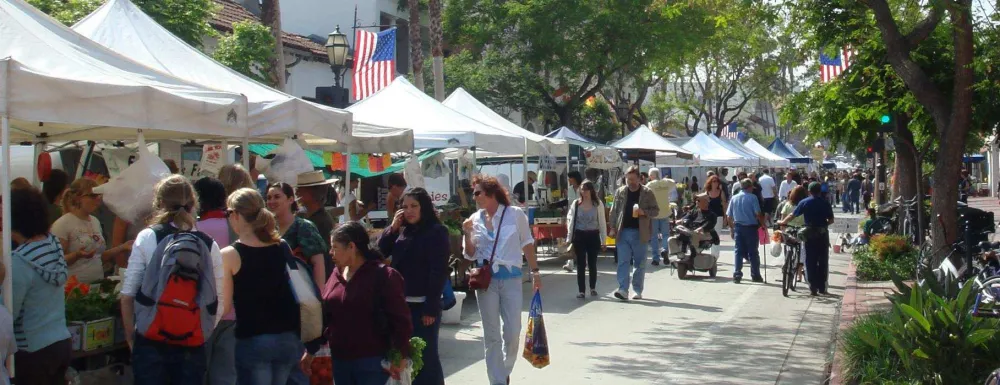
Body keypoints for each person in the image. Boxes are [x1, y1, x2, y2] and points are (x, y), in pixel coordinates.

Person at [121, 175, 225, 385]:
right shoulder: (208, 244)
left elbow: (127, 295)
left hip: (150, 338)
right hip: (191, 341)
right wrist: (200, 332)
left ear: (159, 203)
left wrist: (132, 338)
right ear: (194, 204)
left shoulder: (147, 237)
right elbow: (218, 298)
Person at [461, 175, 541, 385]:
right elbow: (469, 254)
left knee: (513, 332)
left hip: (512, 279)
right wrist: (468, 234)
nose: (474, 197)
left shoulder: (515, 215)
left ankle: (503, 370)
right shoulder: (474, 219)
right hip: (486, 281)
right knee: (492, 335)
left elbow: (527, 243)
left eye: (477, 192)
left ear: (491, 193)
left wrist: (535, 272)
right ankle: (497, 380)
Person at [311, 222, 413, 385]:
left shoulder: (384, 276)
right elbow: (327, 314)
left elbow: (401, 319)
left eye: (334, 247)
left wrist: (401, 354)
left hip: (371, 360)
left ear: (351, 247)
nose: (330, 252)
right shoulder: (336, 274)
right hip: (340, 360)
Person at [221, 188, 303, 385]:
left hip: (253, 338)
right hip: (289, 337)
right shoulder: (282, 245)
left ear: (235, 215)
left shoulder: (229, 254)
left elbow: (224, 307)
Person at [377, 188, 449, 385]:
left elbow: (438, 271)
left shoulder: (437, 231)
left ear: (424, 207)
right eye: (405, 207)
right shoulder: (403, 232)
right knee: (405, 356)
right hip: (401, 304)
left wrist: (431, 308)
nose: (409, 211)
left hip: (424, 306)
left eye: (414, 206)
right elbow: (379, 251)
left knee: (426, 358)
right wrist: (392, 229)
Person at [10, 187, 72, 385]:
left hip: (32, 350)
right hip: (60, 341)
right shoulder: (53, 244)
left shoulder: (19, 262)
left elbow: (10, 312)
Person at [193, 177, 235, 385]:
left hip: (200, 312)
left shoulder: (195, 229)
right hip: (234, 312)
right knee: (226, 377)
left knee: (199, 373)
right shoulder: (237, 228)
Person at [51, 178, 132, 283]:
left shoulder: (95, 221)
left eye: (99, 195)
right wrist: (76, 255)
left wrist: (122, 247)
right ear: (78, 198)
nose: (98, 199)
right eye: (93, 196)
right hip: (72, 288)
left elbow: (98, 258)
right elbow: (54, 261)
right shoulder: (63, 224)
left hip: (95, 285)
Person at [608, 166, 659, 301]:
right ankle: (623, 289)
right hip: (622, 231)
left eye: (633, 179)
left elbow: (656, 211)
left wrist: (644, 212)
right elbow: (614, 211)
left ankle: (637, 290)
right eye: (628, 179)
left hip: (640, 232)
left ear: (639, 178)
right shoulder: (620, 192)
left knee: (639, 263)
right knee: (623, 262)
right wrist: (612, 228)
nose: (630, 182)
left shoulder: (647, 192)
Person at [267, 182, 329, 289]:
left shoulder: (304, 227)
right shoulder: (267, 229)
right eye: (268, 198)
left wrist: (318, 296)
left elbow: (318, 263)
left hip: (301, 293)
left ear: (290, 200)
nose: (271, 201)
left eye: (277, 197)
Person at [779, 182, 835, 296]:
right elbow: (831, 220)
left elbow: (792, 215)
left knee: (810, 260)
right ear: (820, 191)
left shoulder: (804, 202)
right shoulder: (825, 202)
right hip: (822, 234)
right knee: (823, 260)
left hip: (809, 233)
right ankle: (822, 287)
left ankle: (813, 287)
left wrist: (783, 222)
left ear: (809, 191)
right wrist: (823, 225)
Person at [566, 180, 607, 298]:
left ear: (591, 190)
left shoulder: (597, 204)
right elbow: (571, 221)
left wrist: (604, 240)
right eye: (582, 189)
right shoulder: (576, 204)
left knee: (592, 263)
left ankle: (592, 287)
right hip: (579, 236)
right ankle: (581, 290)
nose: (584, 192)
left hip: (593, 235)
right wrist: (569, 238)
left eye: (587, 189)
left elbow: (602, 222)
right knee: (580, 263)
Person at [726, 179, 766, 284]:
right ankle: (755, 275)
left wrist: (731, 228)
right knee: (753, 252)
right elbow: (758, 213)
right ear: (749, 187)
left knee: (738, 251)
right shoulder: (753, 198)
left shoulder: (734, 198)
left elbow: (729, 216)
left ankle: (737, 274)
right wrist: (763, 225)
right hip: (751, 227)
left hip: (738, 227)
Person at [296, 171, 338, 245]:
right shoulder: (311, 216)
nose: (297, 193)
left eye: (300, 189)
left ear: (312, 193)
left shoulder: (322, 222)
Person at [673, 193, 718, 261]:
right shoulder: (694, 211)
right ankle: (680, 253)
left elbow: (709, 224)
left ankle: (694, 252)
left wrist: (701, 228)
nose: (696, 202)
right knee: (671, 239)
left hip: (704, 233)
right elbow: (686, 217)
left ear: (706, 202)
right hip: (691, 232)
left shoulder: (712, 215)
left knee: (693, 234)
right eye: (696, 200)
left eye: (699, 200)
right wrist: (679, 221)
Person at [777, 186, 807, 281]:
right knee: (802, 252)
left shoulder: (787, 205)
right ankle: (799, 275)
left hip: (789, 230)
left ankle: (787, 264)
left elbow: (783, 220)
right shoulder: (805, 205)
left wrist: (782, 231)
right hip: (802, 230)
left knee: (788, 248)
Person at [646, 168, 672, 266]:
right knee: (665, 235)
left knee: (654, 237)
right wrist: (664, 179)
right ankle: (665, 250)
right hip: (665, 212)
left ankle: (655, 258)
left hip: (654, 214)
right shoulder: (666, 183)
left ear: (652, 176)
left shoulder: (650, 185)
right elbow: (673, 182)